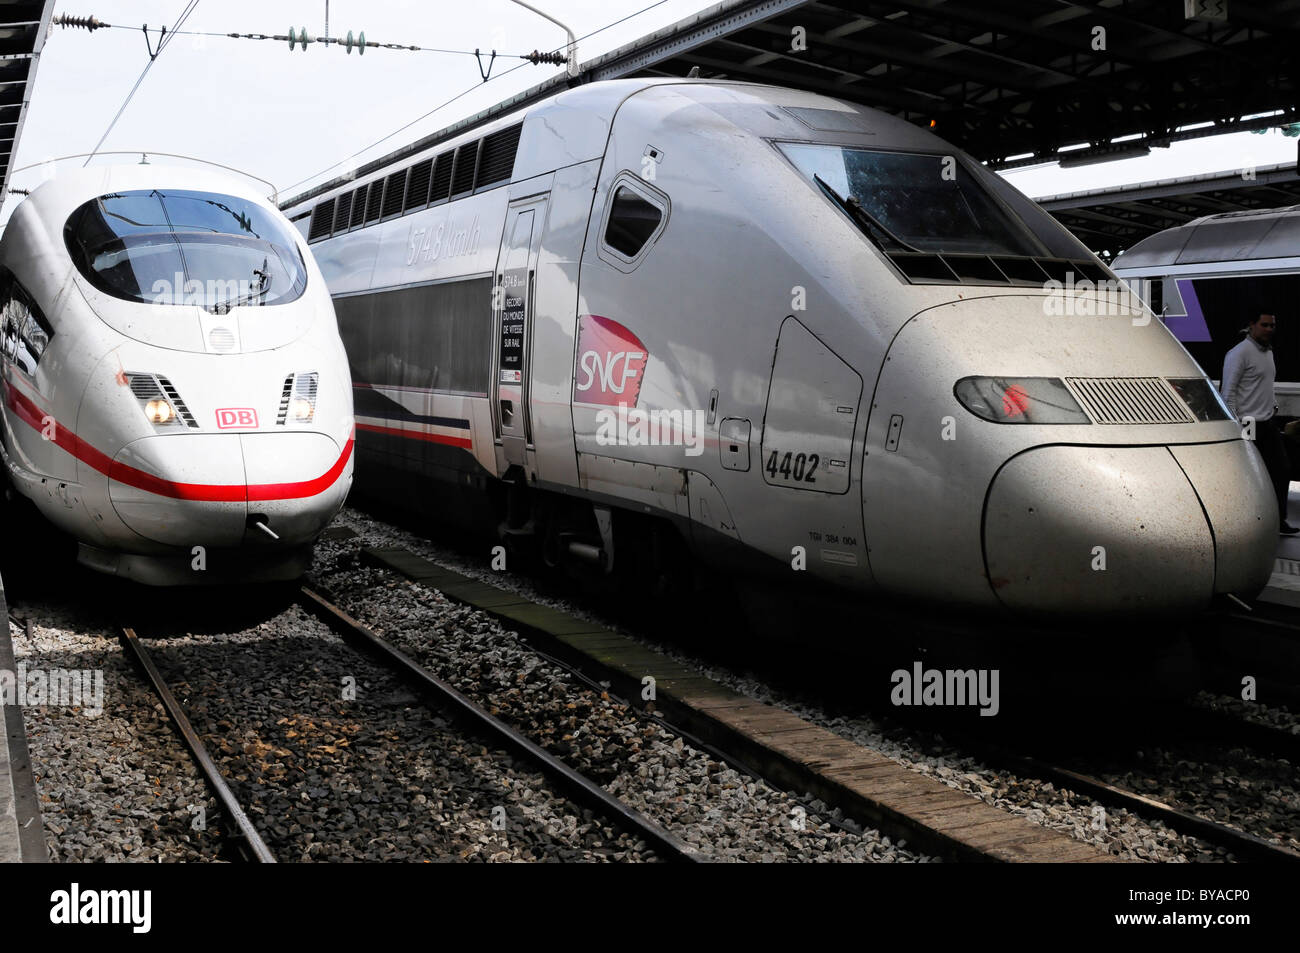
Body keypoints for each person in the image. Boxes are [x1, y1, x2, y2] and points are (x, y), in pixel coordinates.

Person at [1221, 312, 1295, 533]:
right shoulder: (1239, 353)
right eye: (1265, 325)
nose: (1270, 329)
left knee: (1281, 471)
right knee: (1248, 476)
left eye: (1273, 325)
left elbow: (1265, 386)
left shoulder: (1267, 352)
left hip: (1266, 422)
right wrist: (1236, 426)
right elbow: (1228, 392)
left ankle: (1277, 522)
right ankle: (1243, 523)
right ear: (1251, 325)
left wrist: (1272, 407)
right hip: (1247, 423)